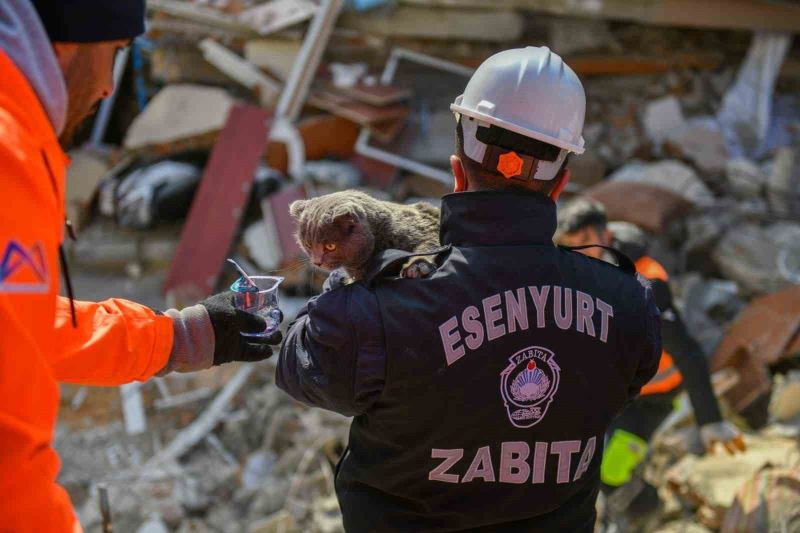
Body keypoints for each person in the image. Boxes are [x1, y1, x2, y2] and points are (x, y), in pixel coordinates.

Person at [276, 46, 662, 532]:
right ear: (560, 184)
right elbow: (628, 381)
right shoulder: (627, 305)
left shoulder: (379, 308)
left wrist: (353, 272)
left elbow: (299, 368)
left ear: (458, 169)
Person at [0, 2, 281, 530]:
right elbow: (7, 461)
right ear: (69, 41)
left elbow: (24, 328)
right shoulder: (7, 153)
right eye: (116, 52)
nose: (109, 86)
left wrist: (179, 337)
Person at [555, 198, 745, 525]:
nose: (579, 250)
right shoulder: (586, 270)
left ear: (606, 233)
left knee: (611, 473)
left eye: (584, 240)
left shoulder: (644, 284)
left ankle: (648, 514)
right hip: (613, 391)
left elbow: (686, 350)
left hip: (651, 398)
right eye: (572, 245)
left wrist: (709, 420)